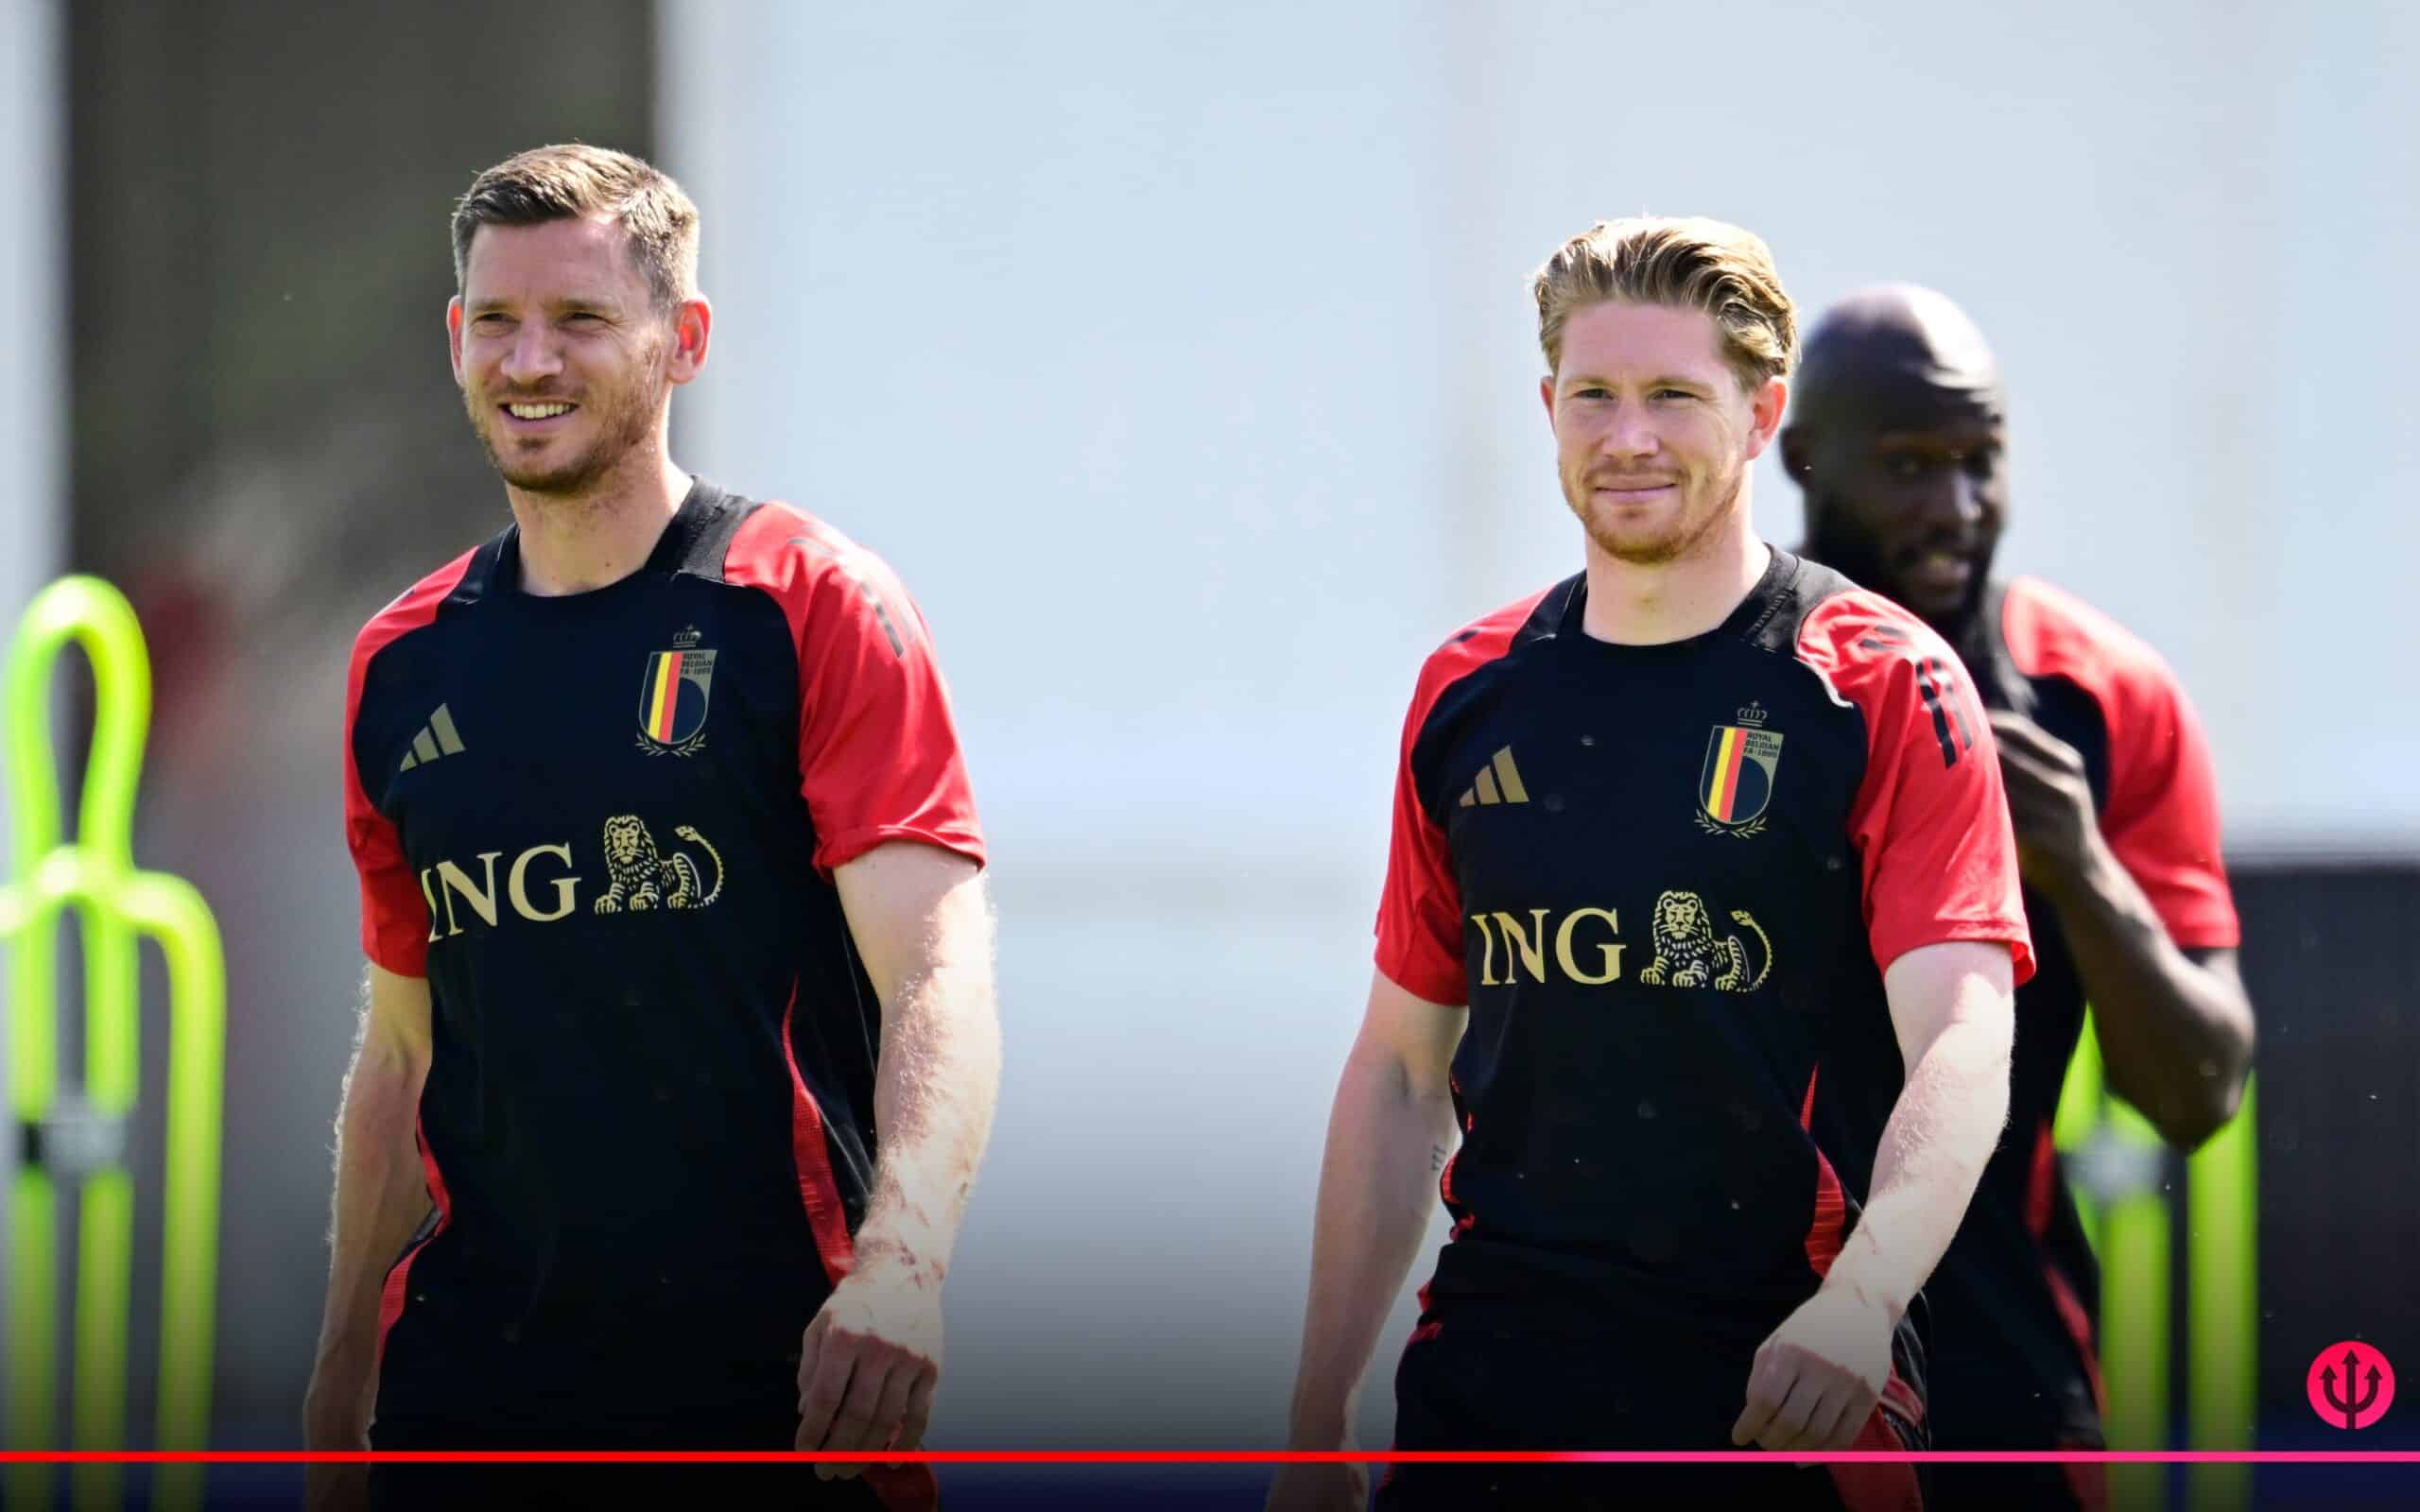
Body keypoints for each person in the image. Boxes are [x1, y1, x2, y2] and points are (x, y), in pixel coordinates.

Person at [1268, 215, 2033, 1512]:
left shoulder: (1883, 683)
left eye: (1674, 395)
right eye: (1594, 396)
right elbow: (1402, 1068)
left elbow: (1965, 1035)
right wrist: (1317, 1419)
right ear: (1548, 407)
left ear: (1759, 413)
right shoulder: (1467, 693)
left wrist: (1860, 1304)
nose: (1628, 436)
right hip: (1492, 1389)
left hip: (1783, 1393)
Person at [301, 145, 1002, 1511]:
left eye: (578, 320)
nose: (528, 360)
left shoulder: (806, 603)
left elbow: (940, 973)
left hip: (781, 1396)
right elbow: (403, 1046)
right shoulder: (399, 664)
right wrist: (338, 1374)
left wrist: (903, 1264)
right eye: (495, 321)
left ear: (681, 342)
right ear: (455, 342)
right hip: (472, 1396)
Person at [1782, 284, 2256, 1512]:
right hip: (1707, 1375)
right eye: (1906, 467)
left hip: (2004, 1388)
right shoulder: (1691, 687)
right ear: (1796, 455)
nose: (1954, 509)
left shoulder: (2103, 703)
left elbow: (2199, 1095)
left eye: (1978, 462)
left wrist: (2082, 869)